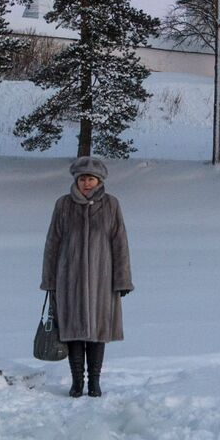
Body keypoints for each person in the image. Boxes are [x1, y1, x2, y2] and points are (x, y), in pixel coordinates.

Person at [41, 155, 132, 397]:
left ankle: (94, 381)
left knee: (97, 332)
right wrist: (49, 280)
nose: (87, 183)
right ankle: (76, 381)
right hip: (69, 280)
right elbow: (53, 243)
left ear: (99, 180)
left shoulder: (111, 205)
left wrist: (122, 279)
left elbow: (120, 243)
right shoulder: (63, 205)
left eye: (91, 179)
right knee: (73, 332)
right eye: (82, 179)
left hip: (102, 281)